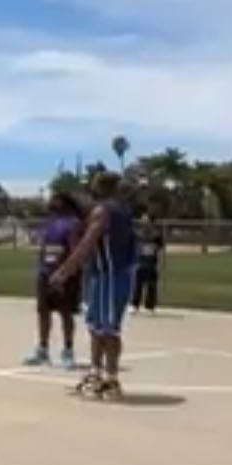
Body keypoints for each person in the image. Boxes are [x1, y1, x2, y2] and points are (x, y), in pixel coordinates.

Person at [48, 170, 135, 402]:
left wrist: (64, 271)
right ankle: (96, 374)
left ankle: (112, 379)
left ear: (100, 188)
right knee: (96, 327)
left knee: (108, 330)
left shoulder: (104, 212)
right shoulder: (124, 211)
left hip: (110, 276)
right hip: (104, 275)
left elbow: (87, 244)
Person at [23, 190, 84, 369]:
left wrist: (66, 273)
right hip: (45, 273)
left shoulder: (74, 224)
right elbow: (44, 248)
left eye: (55, 200)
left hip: (65, 275)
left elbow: (75, 250)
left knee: (66, 313)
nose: (50, 202)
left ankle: (68, 350)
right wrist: (41, 269)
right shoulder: (49, 224)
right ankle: (42, 349)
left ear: (65, 203)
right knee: (43, 312)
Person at [132, 210, 165, 313]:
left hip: (151, 262)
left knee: (151, 285)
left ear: (151, 221)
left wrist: (160, 262)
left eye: (145, 219)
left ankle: (150, 306)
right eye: (142, 219)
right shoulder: (138, 234)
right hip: (139, 262)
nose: (143, 221)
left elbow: (160, 248)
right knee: (137, 285)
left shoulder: (156, 235)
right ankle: (135, 305)